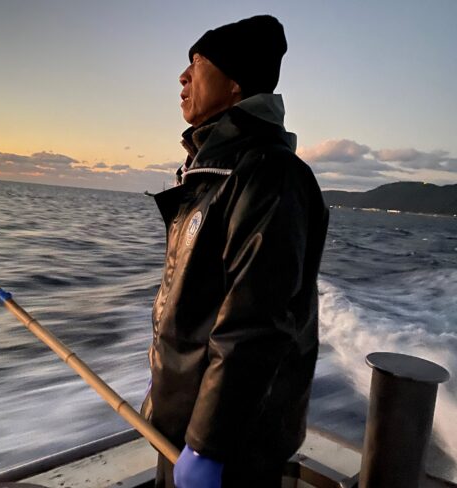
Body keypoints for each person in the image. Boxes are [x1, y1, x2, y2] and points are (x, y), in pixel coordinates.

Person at [141, 15, 329, 488]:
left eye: (198, 63)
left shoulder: (270, 177)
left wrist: (208, 445)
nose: (183, 76)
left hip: (232, 448)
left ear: (235, 83)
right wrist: (163, 393)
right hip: (183, 430)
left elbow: (254, 325)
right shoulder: (209, 173)